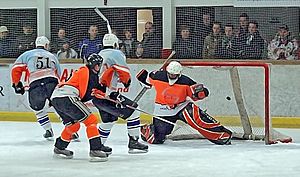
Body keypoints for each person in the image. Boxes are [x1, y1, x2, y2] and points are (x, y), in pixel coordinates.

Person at [137, 61, 232, 145]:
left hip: (181, 106)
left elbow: (196, 95)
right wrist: (142, 79)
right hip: (163, 109)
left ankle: (222, 135)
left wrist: (202, 93)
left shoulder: (186, 81)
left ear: (179, 73)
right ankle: (146, 130)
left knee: (199, 119)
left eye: (174, 74)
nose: (172, 76)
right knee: (157, 138)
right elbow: (147, 81)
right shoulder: (157, 76)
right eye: (170, 74)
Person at [92, 33, 148, 153]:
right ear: (115, 44)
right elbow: (123, 72)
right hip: (108, 94)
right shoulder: (116, 53)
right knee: (134, 111)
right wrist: (126, 82)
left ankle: (98, 146)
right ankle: (134, 142)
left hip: (97, 95)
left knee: (108, 121)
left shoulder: (98, 54)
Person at [50, 53, 110, 161]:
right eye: (97, 65)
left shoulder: (85, 72)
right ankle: (95, 150)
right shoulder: (86, 71)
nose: (98, 67)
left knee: (73, 126)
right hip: (67, 96)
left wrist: (98, 93)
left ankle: (60, 147)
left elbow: (87, 92)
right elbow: (85, 94)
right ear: (93, 65)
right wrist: (99, 93)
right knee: (91, 120)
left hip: (57, 98)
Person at [11, 36, 61, 140]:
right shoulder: (52, 56)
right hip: (52, 82)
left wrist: (16, 83)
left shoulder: (27, 54)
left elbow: (15, 69)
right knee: (59, 105)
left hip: (36, 84)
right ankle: (70, 129)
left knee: (37, 108)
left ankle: (48, 130)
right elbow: (58, 73)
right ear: (46, 45)